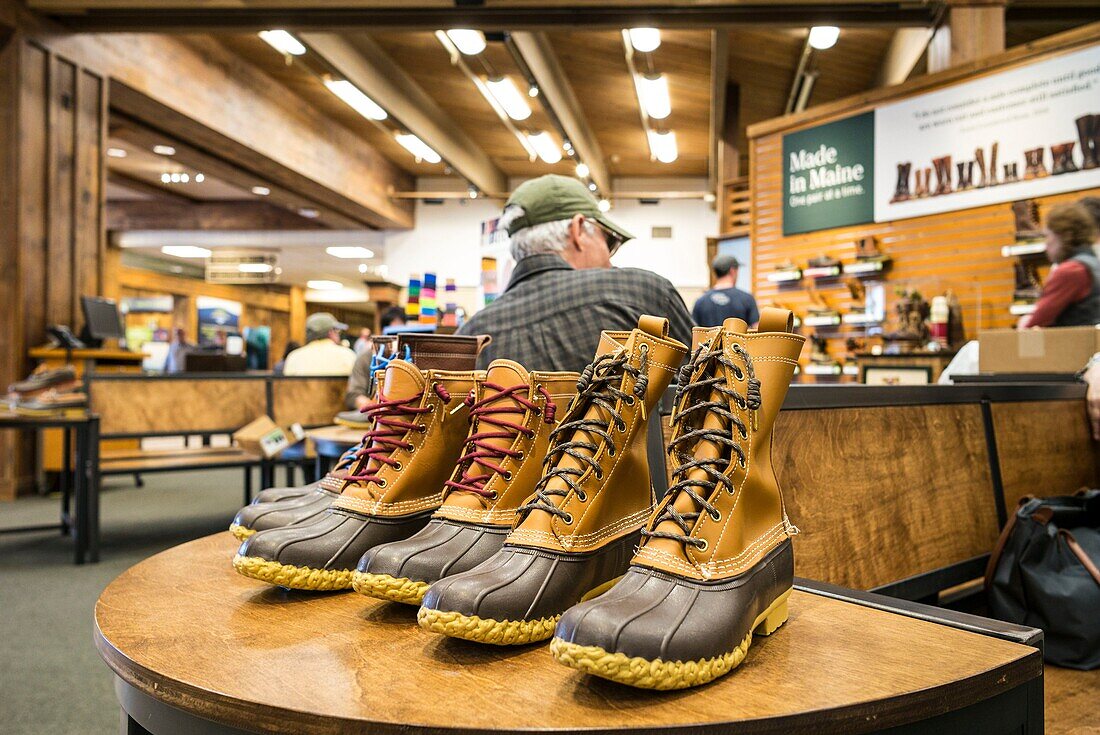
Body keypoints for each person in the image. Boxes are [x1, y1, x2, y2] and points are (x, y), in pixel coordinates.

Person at [457, 174, 692, 372]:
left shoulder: (468, 339)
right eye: (608, 242)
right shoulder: (644, 293)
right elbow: (710, 394)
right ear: (578, 229)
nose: (609, 259)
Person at [1020, 203, 1100, 328]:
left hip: (1072, 345)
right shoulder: (1093, 263)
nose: (1046, 245)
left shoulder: (1070, 271)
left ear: (1064, 236)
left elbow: (1036, 321)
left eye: (1047, 236)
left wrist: (1025, 321)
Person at [692, 254, 760, 327]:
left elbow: (694, 331)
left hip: (709, 338)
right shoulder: (747, 299)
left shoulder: (700, 302)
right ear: (732, 271)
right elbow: (756, 329)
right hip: (736, 339)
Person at [282, 312, 357, 376]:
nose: (338, 334)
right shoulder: (348, 355)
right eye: (337, 330)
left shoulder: (294, 357)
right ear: (331, 332)